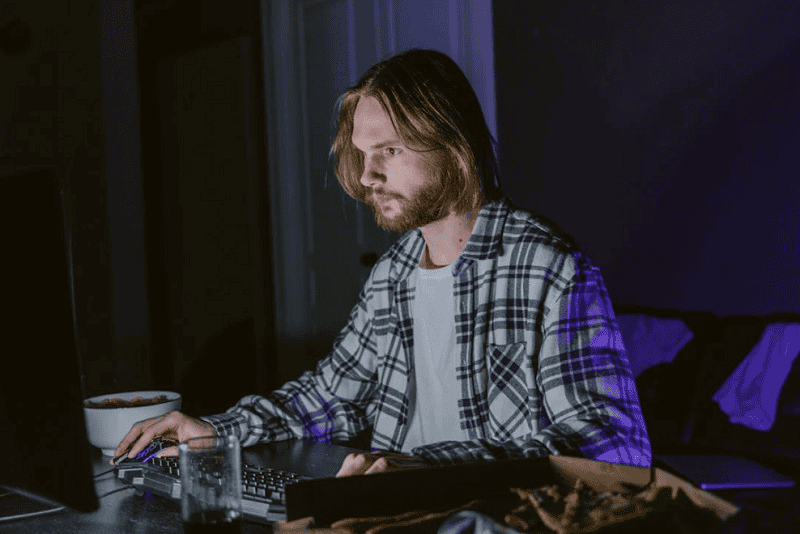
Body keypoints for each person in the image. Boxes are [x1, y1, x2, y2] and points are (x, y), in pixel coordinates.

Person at [113, 49, 651, 475]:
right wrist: (216, 430)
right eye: (362, 154)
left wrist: (429, 467)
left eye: (389, 151)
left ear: (452, 144)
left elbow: (609, 442)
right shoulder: (392, 275)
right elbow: (332, 396)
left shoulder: (548, 267)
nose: (368, 177)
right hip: (398, 514)